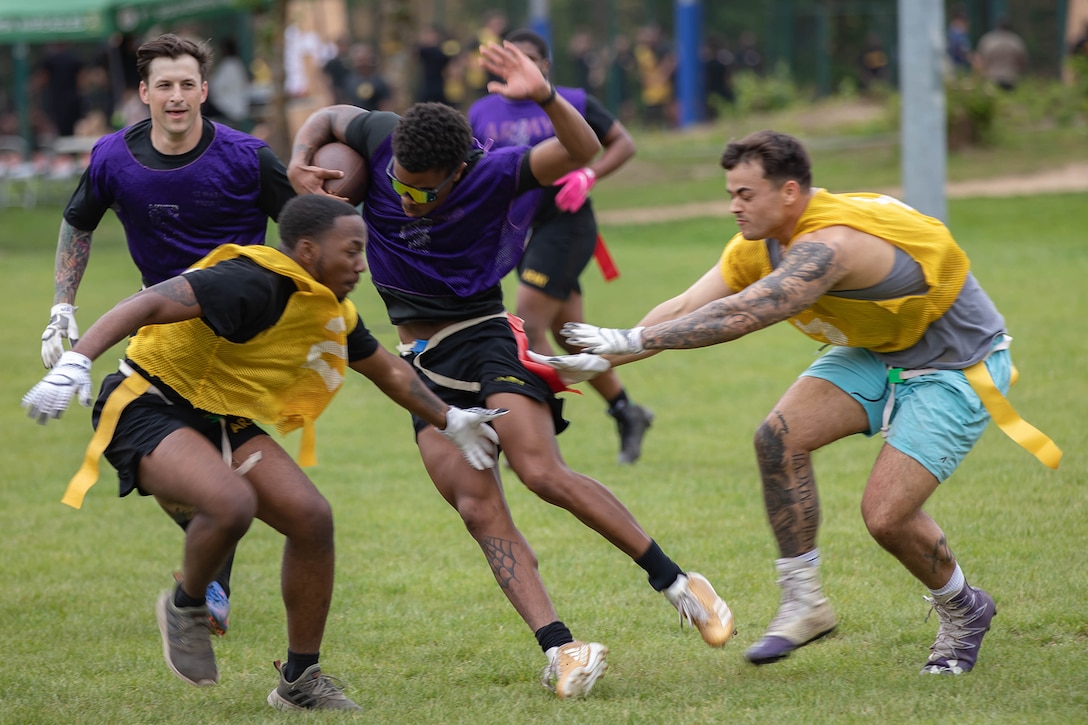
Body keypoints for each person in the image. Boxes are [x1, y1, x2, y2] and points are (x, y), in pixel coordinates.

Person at [286, 40, 735, 698]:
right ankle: (562, 648)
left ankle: (679, 583)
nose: (404, 196)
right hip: (419, 361)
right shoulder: (386, 142)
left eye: (421, 188)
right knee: (477, 506)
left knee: (539, 470)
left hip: (486, 335)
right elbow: (326, 118)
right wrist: (301, 159)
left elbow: (582, 152)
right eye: (397, 183)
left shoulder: (496, 172)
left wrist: (546, 96)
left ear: (459, 169)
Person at [562, 130, 1062, 675]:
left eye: (746, 194)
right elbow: (687, 304)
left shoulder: (833, 246)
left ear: (790, 192)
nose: (734, 205)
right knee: (778, 437)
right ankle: (805, 603)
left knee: (886, 516)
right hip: (880, 347)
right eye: (731, 192)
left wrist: (633, 342)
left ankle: (965, 609)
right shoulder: (760, 243)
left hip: (956, 362)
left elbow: (747, 313)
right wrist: (601, 360)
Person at [22, 193, 504, 709]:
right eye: (351, 251)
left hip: (217, 416)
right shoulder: (253, 278)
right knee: (231, 504)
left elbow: (387, 369)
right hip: (147, 401)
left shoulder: (329, 307)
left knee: (312, 518)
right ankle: (187, 608)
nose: (361, 264)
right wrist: (77, 360)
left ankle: (300, 682)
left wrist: (450, 419)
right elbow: (149, 302)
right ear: (308, 249)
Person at [38, 33, 297, 638]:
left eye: (186, 85)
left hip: (241, 341)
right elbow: (77, 224)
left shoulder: (249, 156)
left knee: (236, 476)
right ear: (143, 93)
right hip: (161, 333)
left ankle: (215, 562)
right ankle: (211, 569)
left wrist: (279, 293)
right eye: (164, 85)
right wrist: (60, 307)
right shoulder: (112, 157)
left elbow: (304, 227)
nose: (176, 96)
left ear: (204, 91)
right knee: (155, 442)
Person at [468, 29, 653, 465]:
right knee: (571, 338)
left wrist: (589, 174)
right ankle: (628, 412)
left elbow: (623, 143)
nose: (521, 66)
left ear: (544, 66)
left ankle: (536, 434)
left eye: (530, 59)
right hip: (520, 230)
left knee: (528, 322)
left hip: (567, 227)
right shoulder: (481, 110)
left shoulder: (572, 100)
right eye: (512, 58)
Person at [976, 18, 1028, 91]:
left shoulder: (988, 41)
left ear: (998, 27)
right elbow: (1022, 60)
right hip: (1010, 78)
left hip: (992, 77)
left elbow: (981, 59)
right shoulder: (1016, 42)